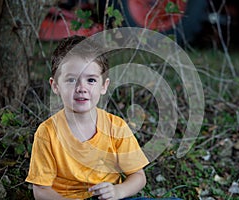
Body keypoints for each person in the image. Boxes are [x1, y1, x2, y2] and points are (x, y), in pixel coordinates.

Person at [26, 35, 149, 199]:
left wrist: (118, 191)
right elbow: (41, 191)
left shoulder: (116, 127)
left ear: (104, 86)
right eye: (71, 80)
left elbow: (138, 177)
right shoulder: (47, 133)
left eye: (91, 80)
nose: (81, 88)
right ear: (55, 86)